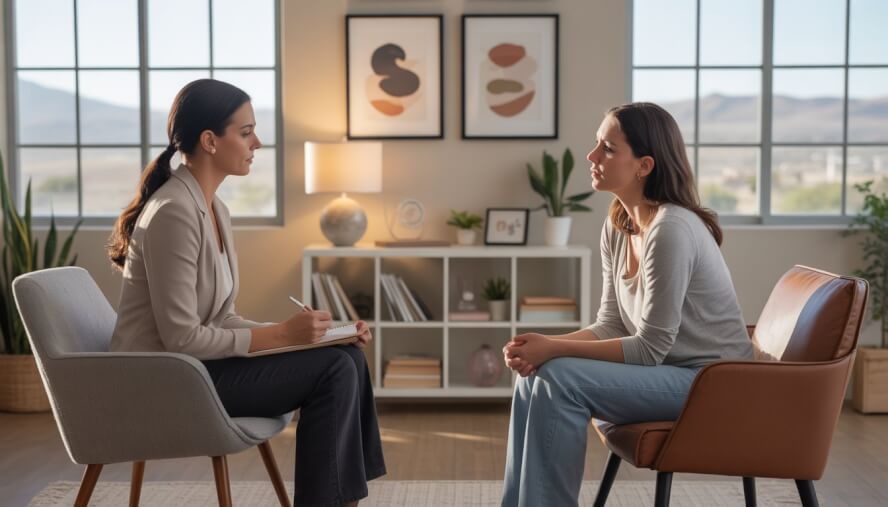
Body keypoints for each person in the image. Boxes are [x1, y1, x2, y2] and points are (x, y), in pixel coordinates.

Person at [107, 79, 385, 506]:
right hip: (168, 382)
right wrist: (282, 337)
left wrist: (314, 335)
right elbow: (182, 338)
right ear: (209, 141)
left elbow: (222, 319)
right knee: (333, 370)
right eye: (246, 131)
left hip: (197, 370)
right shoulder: (173, 213)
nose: (258, 141)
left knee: (346, 355)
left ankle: (339, 500)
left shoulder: (215, 208)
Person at [500, 102, 754, 506]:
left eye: (608, 148)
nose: (592, 156)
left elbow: (649, 348)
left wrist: (555, 348)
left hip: (710, 383)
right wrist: (542, 348)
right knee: (534, 372)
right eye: (596, 145)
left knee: (559, 376)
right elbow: (612, 323)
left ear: (644, 166)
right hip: (673, 373)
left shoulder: (671, 230)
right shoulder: (620, 223)